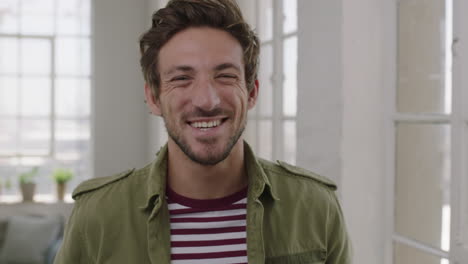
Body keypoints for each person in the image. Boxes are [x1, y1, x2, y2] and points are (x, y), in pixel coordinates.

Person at [54, 0, 351, 263]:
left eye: (225, 76)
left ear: (251, 92)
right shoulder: (96, 218)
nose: (206, 100)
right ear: (154, 98)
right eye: (182, 78)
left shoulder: (316, 209)